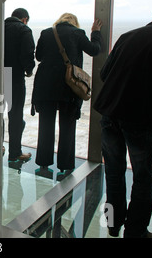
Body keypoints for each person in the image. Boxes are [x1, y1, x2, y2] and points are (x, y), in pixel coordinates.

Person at [94, 5, 152, 238]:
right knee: (143, 179)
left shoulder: (128, 36)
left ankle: (112, 225)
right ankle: (135, 232)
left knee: (113, 174)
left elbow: (105, 74)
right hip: (140, 120)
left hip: (110, 114)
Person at [32, 13, 102, 175]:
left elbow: (39, 56)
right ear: (74, 23)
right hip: (68, 85)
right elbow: (95, 50)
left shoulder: (47, 32)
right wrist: (96, 32)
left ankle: (43, 163)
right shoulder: (78, 33)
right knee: (68, 126)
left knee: (46, 126)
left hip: (46, 86)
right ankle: (65, 165)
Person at [4, 8, 36, 162]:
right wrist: (29, 70)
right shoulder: (24, 30)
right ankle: (15, 153)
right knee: (15, 116)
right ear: (25, 19)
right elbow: (28, 54)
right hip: (14, 78)